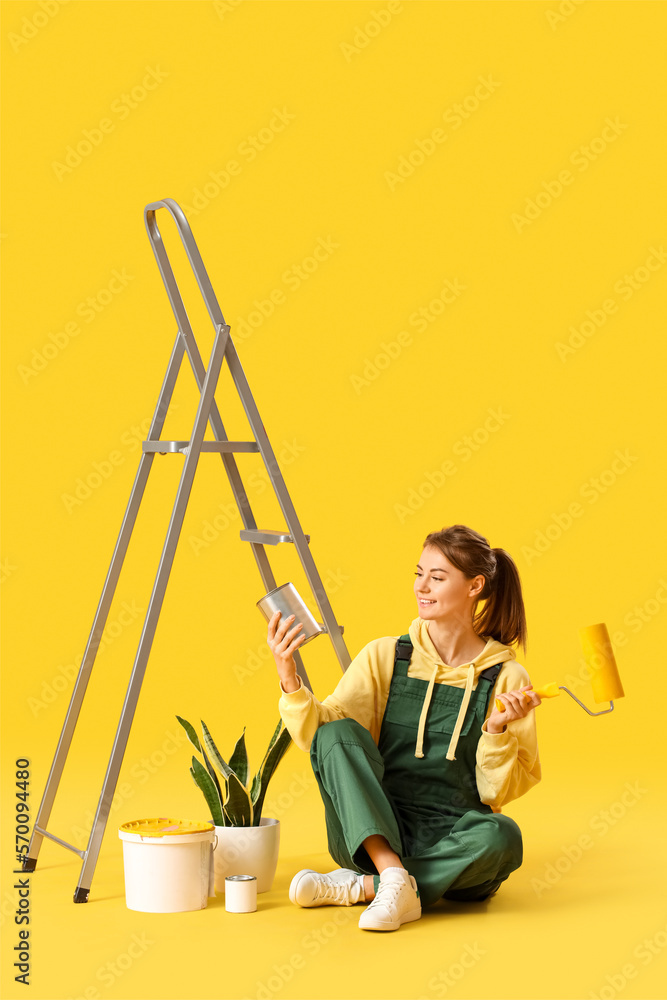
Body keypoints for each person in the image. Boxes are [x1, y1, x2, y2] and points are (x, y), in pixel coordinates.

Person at [267, 524, 542, 932]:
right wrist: (289, 677)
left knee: (503, 836)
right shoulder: (386, 655)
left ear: (474, 586)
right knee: (335, 733)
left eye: (437, 576)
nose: (421, 587)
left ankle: (369, 887)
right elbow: (319, 738)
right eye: (419, 573)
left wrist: (497, 731)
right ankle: (389, 873)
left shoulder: (507, 677)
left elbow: (495, 793)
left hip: (456, 838)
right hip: (375, 829)